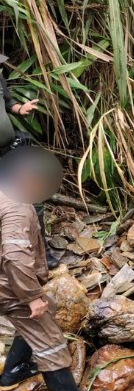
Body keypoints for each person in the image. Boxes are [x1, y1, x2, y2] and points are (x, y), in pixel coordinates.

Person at [0, 146, 107, 391]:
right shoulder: (16, 208)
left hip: (6, 281)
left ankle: (14, 370)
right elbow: (14, 257)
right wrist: (30, 296)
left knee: (43, 309)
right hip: (9, 284)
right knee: (48, 336)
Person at [0, 54, 59, 269]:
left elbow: (7, 101)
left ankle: (43, 252)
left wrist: (19, 109)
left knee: (32, 199)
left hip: (8, 151)